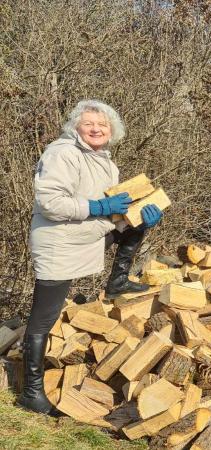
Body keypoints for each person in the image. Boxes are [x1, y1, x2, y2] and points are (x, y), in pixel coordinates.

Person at [20, 100, 164, 414]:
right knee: (45, 316)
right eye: (89, 124)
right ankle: (30, 392)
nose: (96, 129)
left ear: (112, 131)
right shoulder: (63, 153)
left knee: (137, 221)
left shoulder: (104, 160)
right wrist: (98, 207)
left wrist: (140, 216)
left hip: (86, 236)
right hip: (58, 242)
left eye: (103, 125)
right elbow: (50, 202)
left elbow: (114, 212)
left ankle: (118, 281)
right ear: (76, 128)